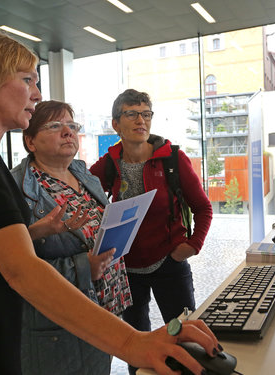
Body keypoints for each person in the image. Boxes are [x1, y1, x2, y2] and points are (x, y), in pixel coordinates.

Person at [0, 30, 221, 375]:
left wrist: (34, 231)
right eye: (27, 80)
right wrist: (133, 343)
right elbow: (20, 269)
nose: (37, 94)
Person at [90, 89, 213, 373]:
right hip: (128, 267)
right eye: (131, 114)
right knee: (138, 345)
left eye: (146, 114)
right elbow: (83, 192)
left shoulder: (172, 158)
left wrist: (193, 245)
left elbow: (203, 207)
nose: (140, 120)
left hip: (170, 262)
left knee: (184, 338)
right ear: (116, 124)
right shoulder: (109, 163)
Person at [11, 99, 132, 375]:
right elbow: (14, 264)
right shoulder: (17, 187)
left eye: (71, 125)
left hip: (105, 303)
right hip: (62, 317)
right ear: (30, 141)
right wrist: (83, 268)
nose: (68, 132)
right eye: (55, 126)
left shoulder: (83, 174)